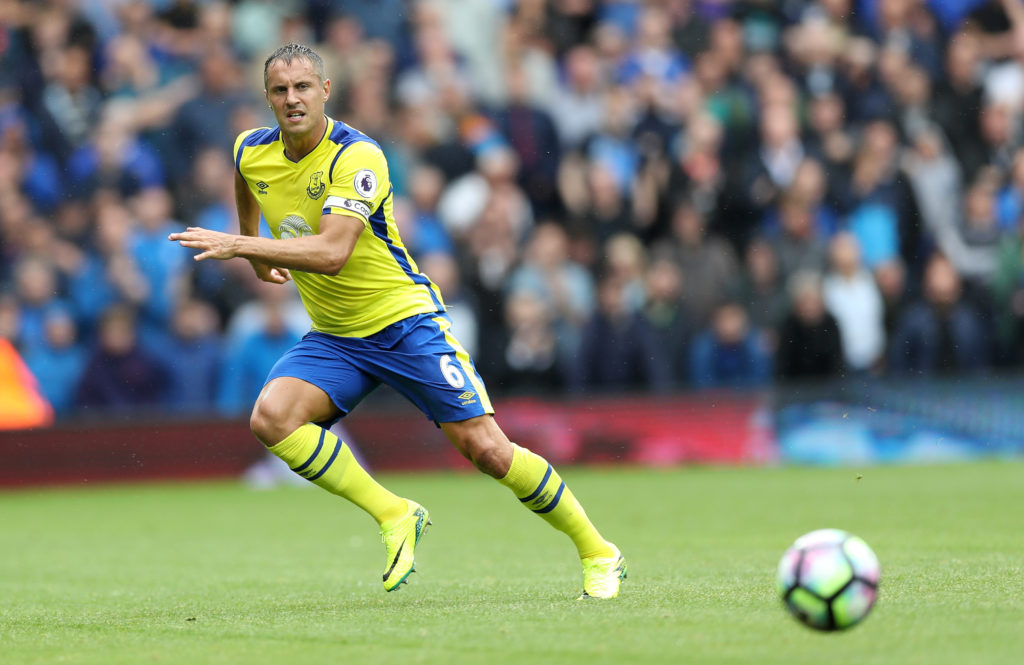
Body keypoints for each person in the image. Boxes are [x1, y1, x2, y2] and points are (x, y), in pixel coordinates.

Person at [169, 43, 625, 599]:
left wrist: (243, 244)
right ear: (267, 97)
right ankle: (394, 514)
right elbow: (247, 179)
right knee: (272, 418)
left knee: (488, 450)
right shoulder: (251, 148)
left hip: (404, 322)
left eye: (303, 87)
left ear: (325, 90)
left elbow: (335, 251)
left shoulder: (357, 156)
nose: (293, 99)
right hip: (337, 336)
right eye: (281, 90)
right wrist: (260, 251)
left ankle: (598, 551)